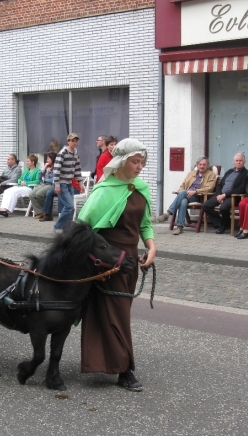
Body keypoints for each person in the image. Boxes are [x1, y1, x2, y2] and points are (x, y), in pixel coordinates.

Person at [77, 138, 156, 392]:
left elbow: (145, 224)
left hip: (131, 258)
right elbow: (83, 229)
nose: (139, 166)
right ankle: (125, 369)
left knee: (118, 312)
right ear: (121, 162)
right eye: (135, 161)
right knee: (117, 312)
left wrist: (151, 246)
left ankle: (108, 360)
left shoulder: (141, 188)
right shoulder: (103, 191)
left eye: (142, 162)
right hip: (108, 259)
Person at [156, 156, 217, 235]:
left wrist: (195, 191)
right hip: (186, 195)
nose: (202, 166)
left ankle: (167, 214)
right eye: (200, 164)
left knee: (183, 193)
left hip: (199, 196)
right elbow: (183, 185)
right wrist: (179, 191)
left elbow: (209, 188)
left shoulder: (211, 175)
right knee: (183, 201)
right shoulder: (191, 174)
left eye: (204, 165)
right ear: (197, 165)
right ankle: (180, 227)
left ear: (207, 166)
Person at [201, 152, 248, 234]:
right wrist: (218, 195)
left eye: (240, 161)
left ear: (244, 162)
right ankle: (221, 222)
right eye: (237, 160)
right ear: (233, 162)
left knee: (223, 208)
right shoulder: (229, 171)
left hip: (234, 197)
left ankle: (223, 226)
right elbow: (220, 184)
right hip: (221, 195)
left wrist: (224, 195)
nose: (238, 162)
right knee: (205, 206)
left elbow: (241, 189)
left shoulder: (247, 174)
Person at [52, 133, 83, 234]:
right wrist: (57, 185)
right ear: (68, 142)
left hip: (69, 183)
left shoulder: (75, 153)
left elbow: (77, 169)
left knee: (70, 207)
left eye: (76, 141)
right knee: (70, 206)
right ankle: (58, 226)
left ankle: (67, 228)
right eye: (72, 141)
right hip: (61, 183)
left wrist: (81, 183)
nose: (74, 143)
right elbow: (56, 170)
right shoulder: (63, 153)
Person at [30, 152, 56, 219]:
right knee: (32, 194)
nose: (47, 160)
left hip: (51, 185)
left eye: (48, 159)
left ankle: (46, 211)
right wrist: (44, 169)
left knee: (39, 194)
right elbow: (39, 177)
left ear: (53, 159)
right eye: (47, 159)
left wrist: (49, 173)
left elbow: (54, 180)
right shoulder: (47, 167)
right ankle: (40, 212)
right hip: (43, 184)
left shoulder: (56, 168)